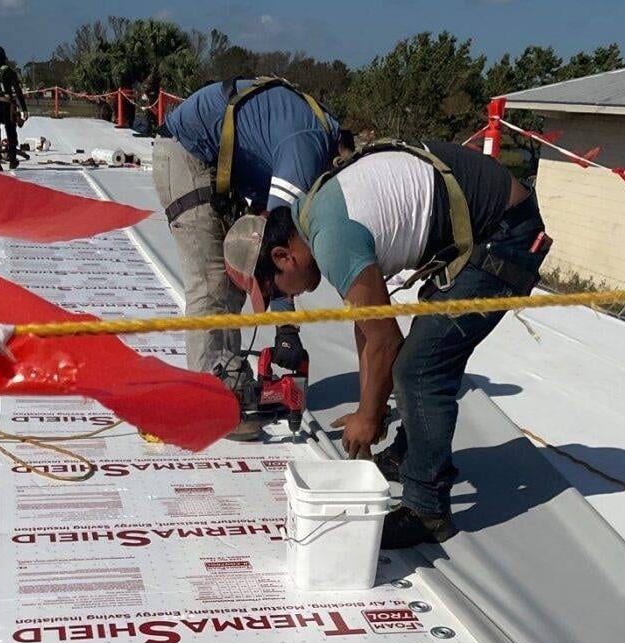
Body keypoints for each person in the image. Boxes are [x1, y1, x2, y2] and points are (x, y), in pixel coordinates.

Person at [223, 140, 550, 547]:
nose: (283, 299)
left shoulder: (331, 238)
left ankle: (426, 509)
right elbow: (368, 324)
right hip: (488, 227)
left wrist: (370, 416)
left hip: (506, 236)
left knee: (419, 366)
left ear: (282, 256)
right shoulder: (313, 214)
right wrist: (366, 408)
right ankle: (410, 457)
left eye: (272, 290)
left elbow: (385, 341)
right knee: (424, 353)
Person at [153, 77, 351, 439]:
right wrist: (287, 328)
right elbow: (278, 248)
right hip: (186, 154)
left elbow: (270, 241)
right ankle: (209, 405)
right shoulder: (307, 148)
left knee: (233, 283)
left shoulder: (309, 143)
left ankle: (227, 380)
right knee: (212, 284)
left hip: (215, 164)